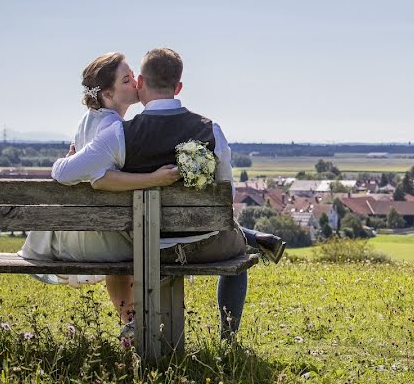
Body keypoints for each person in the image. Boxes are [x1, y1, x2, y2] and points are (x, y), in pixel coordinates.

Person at [20, 49, 283, 338]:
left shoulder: (119, 134)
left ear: (142, 81)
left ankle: (139, 324)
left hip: (148, 246)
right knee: (238, 248)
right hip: (209, 244)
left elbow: (70, 174)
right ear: (179, 87)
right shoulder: (211, 129)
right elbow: (227, 195)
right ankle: (227, 338)